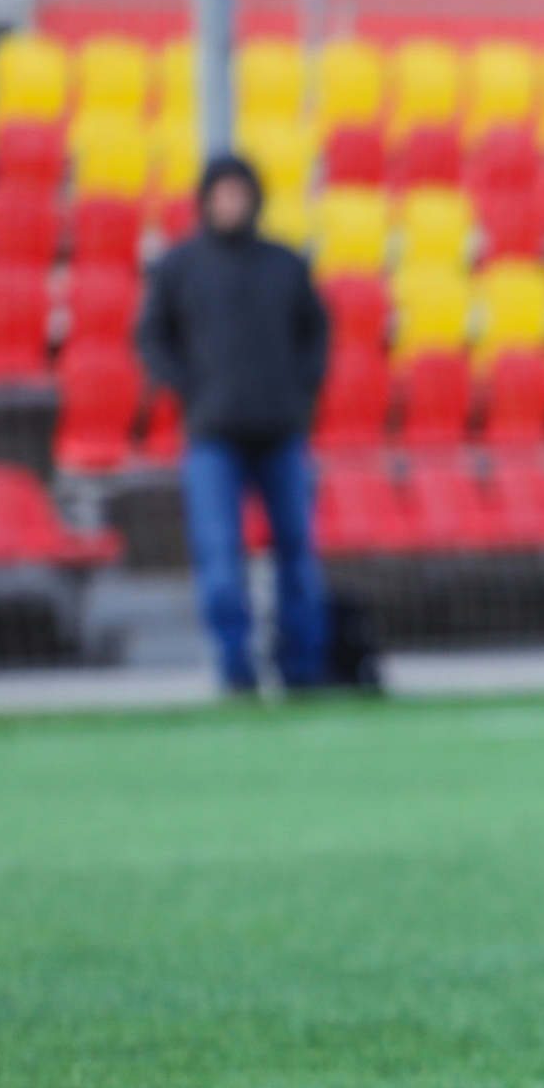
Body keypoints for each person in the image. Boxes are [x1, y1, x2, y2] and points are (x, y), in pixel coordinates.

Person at [135, 154, 333, 694]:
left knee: (296, 552)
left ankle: (303, 670)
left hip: (280, 433)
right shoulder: (180, 267)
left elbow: (317, 335)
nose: (230, 204)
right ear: (204, 200)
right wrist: (190, 389)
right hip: (213, 435)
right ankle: (235, 670)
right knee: (220, 557)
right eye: (221, 194)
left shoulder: (285, 264)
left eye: (238, 194)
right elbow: (152, 338)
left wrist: (299, 391)